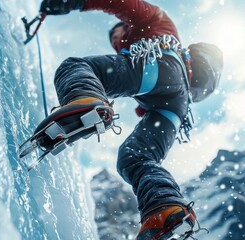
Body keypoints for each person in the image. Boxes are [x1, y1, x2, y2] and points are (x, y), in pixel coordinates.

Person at [37, 0, 223, 239]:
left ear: (126, 27)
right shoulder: (180, 77)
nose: (116, 43)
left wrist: (73, 2)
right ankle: (165, 208)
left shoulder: (155, 22)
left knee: (77, 67)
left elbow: (119, 2)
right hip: (177, 106)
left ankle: (85, 98)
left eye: (116, 35)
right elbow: (154, 97)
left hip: (163, 64)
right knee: (136, 157)